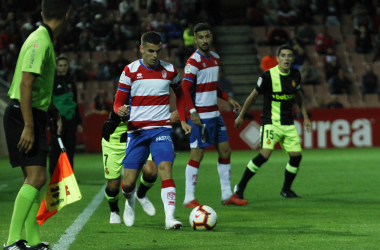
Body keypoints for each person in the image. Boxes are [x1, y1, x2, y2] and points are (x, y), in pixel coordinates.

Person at [2, 1, 70, 249]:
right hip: (23, 114)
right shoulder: (41, 41)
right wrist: (29, 126)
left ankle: (32, 240)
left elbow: (36, 87)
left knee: (35, 177)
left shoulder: (42, 38)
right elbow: (26, 84)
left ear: (42, 14)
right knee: (37, 177)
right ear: (66, 15)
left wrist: (52, 111)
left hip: (32, 113)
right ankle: (11, 242)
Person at [113, 31, 192, 229]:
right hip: (137, 132)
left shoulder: (170, 71)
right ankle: (130, 201)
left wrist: (182, 120)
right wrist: (120, 110)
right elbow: (117, 104)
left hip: (161, 130)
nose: (155, 55)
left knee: (165, 169)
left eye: (157, 51)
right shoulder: (130, 71)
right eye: (150, 51)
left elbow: (181, 95)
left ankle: (169, 219)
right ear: (141, 49)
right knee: (128, 183)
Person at [181, 23, 248, 208]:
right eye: (200, 37)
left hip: (214, 113)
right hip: (200, 114)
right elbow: (185, 88)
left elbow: (212, 85)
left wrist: (228, 98)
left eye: (207, 36)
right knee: (197, 154)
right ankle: (188, 197)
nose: (204, 40)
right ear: (195, 39)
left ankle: (227, 195)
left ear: (211, 37)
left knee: (225, 150)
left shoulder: (215, 58)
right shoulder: (193, 61)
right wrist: (193, 112)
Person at [234, 44, 312, 201]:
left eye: (289, 56)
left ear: (292, 59)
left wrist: (305, 116)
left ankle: (286, 189)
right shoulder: (267, 76)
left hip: (288, 123)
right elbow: (253, 96)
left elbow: (298, 96)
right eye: (283, 56)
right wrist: (241, 115)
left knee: (296, 156)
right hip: (271, 122)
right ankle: (239, 187)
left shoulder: (295, 75)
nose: (286, 59)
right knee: (264, 155)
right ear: (277, 59)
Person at [102, 96, 181, 224]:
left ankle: (140, 194)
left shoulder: (153, 89)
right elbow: (132, 121)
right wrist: (167, 119)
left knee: (151, 172)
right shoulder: (126, 92)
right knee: (113, 187)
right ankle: (114, 210)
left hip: (140, 136)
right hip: (115, 140)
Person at [49, 55, 83, 177]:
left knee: (70, 150)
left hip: (71, 121)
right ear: (56, 67)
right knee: (55, 150)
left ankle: (68, 177)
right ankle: (54, 177)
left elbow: (75, 102)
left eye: (65, 65)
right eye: (60, 65)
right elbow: (48, 103)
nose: (63, 68)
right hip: (57, 121)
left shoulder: (71, 83)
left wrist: (78, 122)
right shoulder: (51, 82)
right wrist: (50, 120)